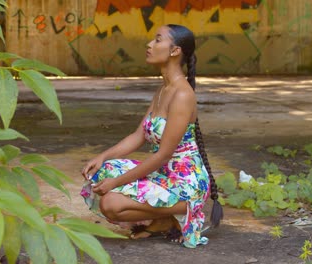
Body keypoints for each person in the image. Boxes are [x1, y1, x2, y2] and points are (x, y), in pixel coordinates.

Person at [80, 24, 223, 248]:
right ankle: (164, 218)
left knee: (111, 204)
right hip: (162, 173)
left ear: (175, 51)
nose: (149, 44)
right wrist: (102, 157)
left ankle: (182, 210)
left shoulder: (183, 94)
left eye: (157, 40)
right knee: (100, 172)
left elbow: (163, 154)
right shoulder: (163, 89)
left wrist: (116, 183)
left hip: (183, 182)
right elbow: (139, 135)